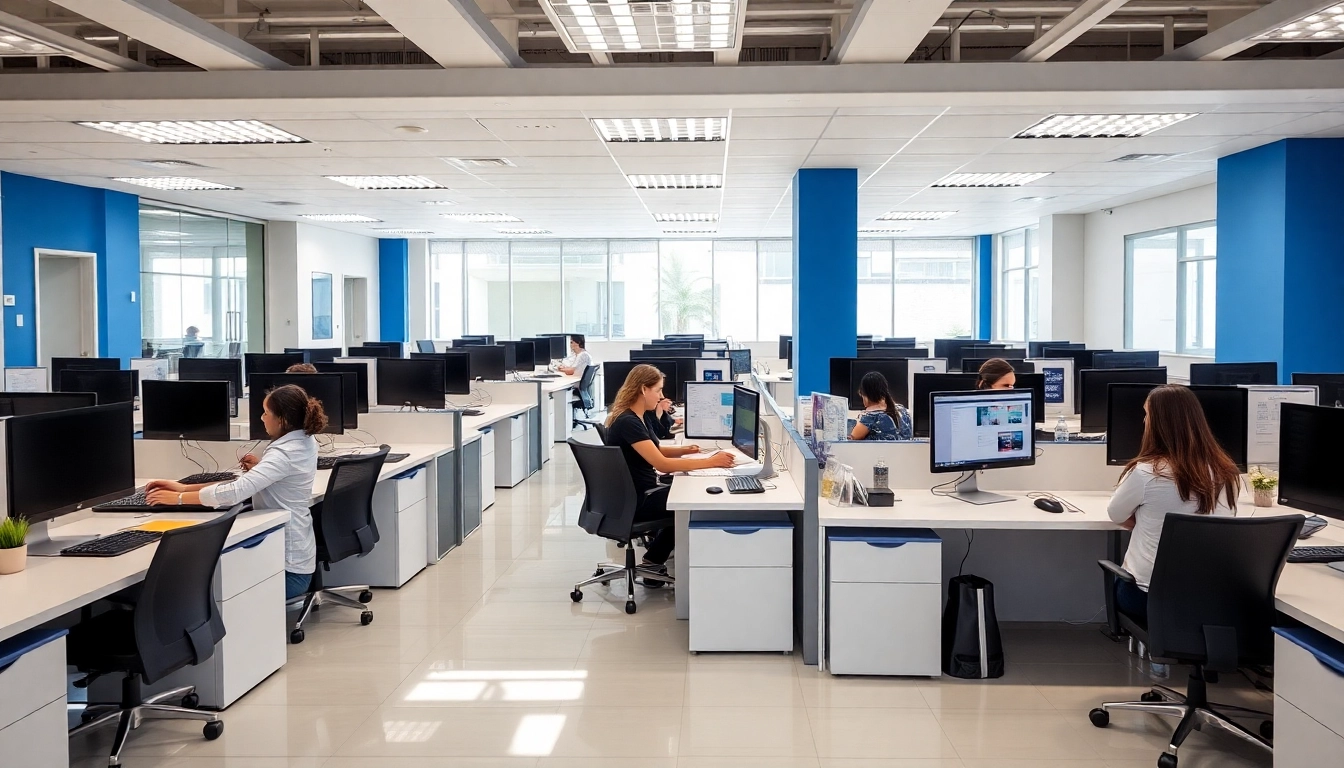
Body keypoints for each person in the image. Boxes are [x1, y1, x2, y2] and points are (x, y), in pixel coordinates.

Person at [144, 384, 326, 601]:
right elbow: (255, 481)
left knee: (196, 586)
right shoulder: (303, 439)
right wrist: (183, 487)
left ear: (282, 420)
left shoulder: (284, 453)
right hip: (299, 560)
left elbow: (235, 492)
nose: (261, 418)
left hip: (289, 573)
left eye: (266, 413)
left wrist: (179, 499)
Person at [1106, 384, 1240, 623]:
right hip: (1210, 600)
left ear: (1159, 424)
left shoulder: (1147, 473)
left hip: (1148, 599)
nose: (1144, 421)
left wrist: (1147, 521)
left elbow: (1116, 515)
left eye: (1147, 415)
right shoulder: (1226, 472)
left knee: (1122, 578)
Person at [604, 364, 735, 570]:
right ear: (643, 389)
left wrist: (687, 451)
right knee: (689, 501)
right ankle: (653, 561)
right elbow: (661, 464)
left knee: (685, 492)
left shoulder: (637, 415)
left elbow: (655, 450)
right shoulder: (628, 421)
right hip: (637, 499)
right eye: (658, 390)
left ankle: (657, 556)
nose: (661, 396)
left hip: (632, 493)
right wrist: (710, 462)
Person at [848, 371, 912, 441]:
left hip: (879, 452)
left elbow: (852, 438)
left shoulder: (871, 417)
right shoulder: (903, 411)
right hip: (904, 451)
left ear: (866, 394)